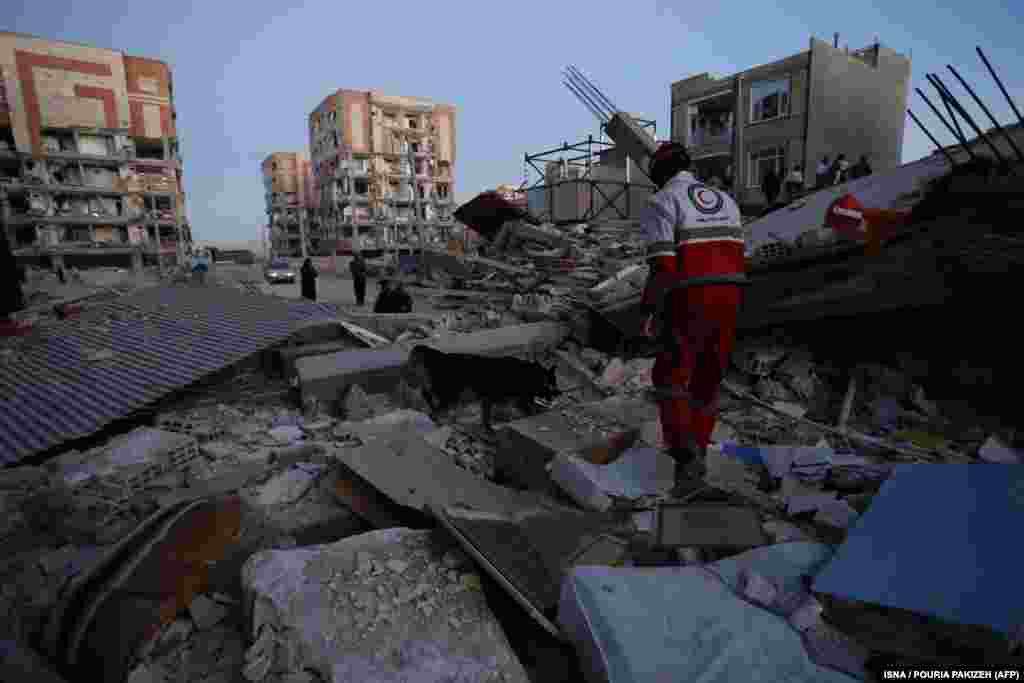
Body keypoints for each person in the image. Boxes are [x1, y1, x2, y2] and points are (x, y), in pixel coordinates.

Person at [638, 142, 746, 497]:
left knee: (670, 373)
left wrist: (648, 310)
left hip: (690, 293)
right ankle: (698, 447)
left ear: (658, 172)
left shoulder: (662, 202)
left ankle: (683, 457)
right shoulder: (725, 200)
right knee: (708, 375)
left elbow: (664, 267)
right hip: (731, 293)